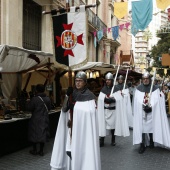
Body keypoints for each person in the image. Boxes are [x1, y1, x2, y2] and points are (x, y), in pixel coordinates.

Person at [50, 71, 101, 170]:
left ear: (85, 82)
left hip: (84, 131)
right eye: (76, 81)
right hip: (71, 128)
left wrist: (76, 108)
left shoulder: (90, 96)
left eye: (80, 81)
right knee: (69, 151)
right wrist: (66, 96)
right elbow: (64, 109)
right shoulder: (72, 94)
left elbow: (90, 113)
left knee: (81, 151)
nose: (77, 83)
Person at [133, 72, 170, 154]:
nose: (145, 80)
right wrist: (143, 106)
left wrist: (151, 106)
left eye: (147, 78)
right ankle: (142, 144)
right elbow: (136, 101)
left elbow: (158, 100)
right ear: (142, 80)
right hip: (141, 113)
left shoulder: (155, 89)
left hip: (152, 113)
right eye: (144, 79)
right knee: (142, 128)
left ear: (149, 79)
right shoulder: (138, 89)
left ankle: (152, 141)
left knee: (152, 127)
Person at [97, 73, 130, 147]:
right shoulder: (103, 89)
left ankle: (113, 140)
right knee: (103, 125)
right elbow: (100, 99)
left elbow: (120, 99)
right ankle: (102, 140)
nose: (107, 81)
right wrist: (104, 99)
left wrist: (113, 99)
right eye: (106, 80)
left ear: (112, 80)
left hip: (113, 111)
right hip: (105, 111)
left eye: (109, 80)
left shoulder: (115, 89)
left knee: (113, 127)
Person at [26, 84, 51, 156]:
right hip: (44, 118)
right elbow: (49, 108)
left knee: (34, 134)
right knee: (43, 134)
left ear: (36, 90)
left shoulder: (34, 99)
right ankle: (41, 151)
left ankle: (34, 150)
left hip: (36, 118)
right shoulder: (47, 98)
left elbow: (29, 108)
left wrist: (28, 102)